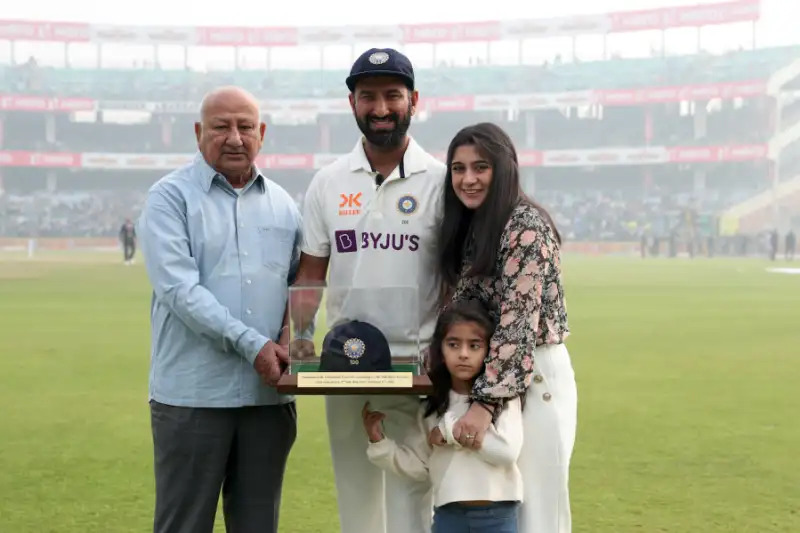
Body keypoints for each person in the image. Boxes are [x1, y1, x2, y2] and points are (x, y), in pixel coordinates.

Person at [291, 48, 446, 533]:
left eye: (392, 96)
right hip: (346, 366)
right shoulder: (328, 182)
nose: (380, 108)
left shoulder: (441, 181)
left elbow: (459, 281)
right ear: (352, 104)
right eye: (368, 97)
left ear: (414, 100)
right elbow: (311, 272)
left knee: (414, 503)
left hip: (419, 369)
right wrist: (298, 335)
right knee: (357, 505)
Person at [137, 86, 300, 533]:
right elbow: (180, 291)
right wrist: (255, 345)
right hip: (193, 398)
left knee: (257, 526)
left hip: (267, 399)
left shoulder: (285, 206)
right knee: (183, 525)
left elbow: (299, 290)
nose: (234, 137)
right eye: (220, 127)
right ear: (197, 132)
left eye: (245, 126)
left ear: (261, 133)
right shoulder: (169, 199)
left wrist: (291, 341)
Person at [438, 123, 577, 533]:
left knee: (539, 514)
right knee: (503, 507)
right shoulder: (473, 225)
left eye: (481, 167)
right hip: (492, 377)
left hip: (534, 376)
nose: (468, 179)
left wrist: (484, 405)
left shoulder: (526, 226)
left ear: (505, 168)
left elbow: (517, 323)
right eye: (458, 168)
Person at [363, 301, 523, 533]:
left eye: (474, 345)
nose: (464, 354)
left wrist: (448, 431)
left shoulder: (502, 399)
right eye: (454, 344)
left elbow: (505, 452)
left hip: (496, 515)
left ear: (489, 350)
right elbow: (420, 465)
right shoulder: (433, 406)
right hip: (449, 515)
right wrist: (380, 444)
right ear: (441, 350)